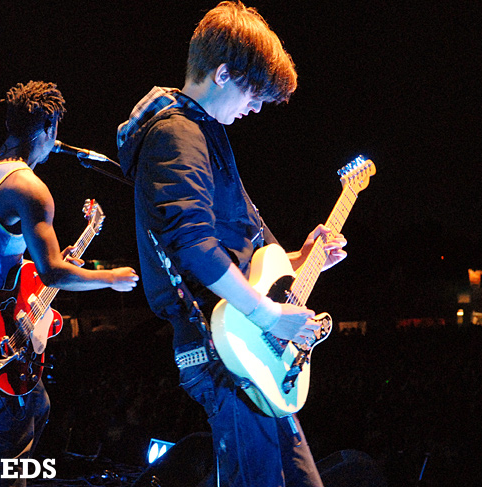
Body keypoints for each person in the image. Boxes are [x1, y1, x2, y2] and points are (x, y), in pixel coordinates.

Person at [117, 2, 348, 486]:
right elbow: (195, 246)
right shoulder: (176, 135)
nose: (257, 107)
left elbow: (237, 254)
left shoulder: (202, 132)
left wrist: (302, 260)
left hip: (248, 349)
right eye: (254, 93)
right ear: (222, 73)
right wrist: (268, 315)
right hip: (222, 351)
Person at [0, 80, 139, 486]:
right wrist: (112, 278)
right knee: (12, 438)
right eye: (56, 131)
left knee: (35, 407)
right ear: (48, 127)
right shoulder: (28, 187)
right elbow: (51, 274)